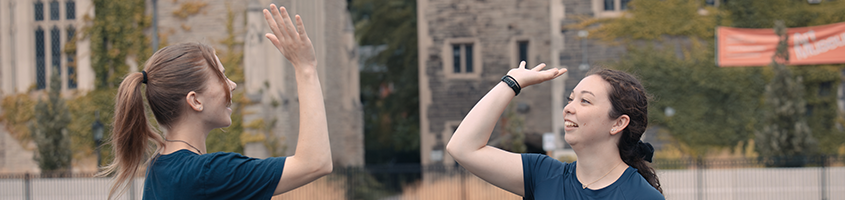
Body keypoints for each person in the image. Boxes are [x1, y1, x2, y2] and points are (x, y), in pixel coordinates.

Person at [98, 4, 331, 199]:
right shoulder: (208, 174)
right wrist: (305, 69)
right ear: (195, 101)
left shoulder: (158, 167)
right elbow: (315, 163)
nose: (232, 85)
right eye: (222, 76)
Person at [446, 61, 664, 199]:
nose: (568, 108)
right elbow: (463, 148)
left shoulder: (641, 195)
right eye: (570, 99)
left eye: (585, 101)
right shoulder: (542, 175)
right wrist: (512, 82)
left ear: (618, 123)